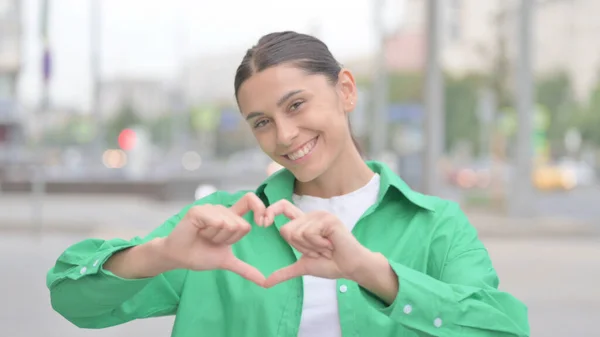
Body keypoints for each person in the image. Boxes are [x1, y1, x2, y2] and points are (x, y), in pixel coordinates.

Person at [47, 31, 529, 337]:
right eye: (261, 122)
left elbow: (504, 330)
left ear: (345, 90)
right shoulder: (222, 227)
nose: (285, 135)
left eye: (296, 105)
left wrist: (370, 271)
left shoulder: (436, 227)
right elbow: (72, 299)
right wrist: (161, 254)